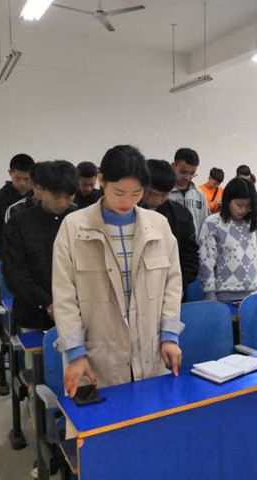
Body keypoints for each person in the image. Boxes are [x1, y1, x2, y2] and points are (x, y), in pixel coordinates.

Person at [53, 145, 184, 396]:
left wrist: (169, 336)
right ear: (102, 180)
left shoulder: (158, 226)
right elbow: (64, 296)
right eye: (119, 192)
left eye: (136, 193)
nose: (127, 202)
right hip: (96, 358)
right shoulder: (74, 227)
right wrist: (76, 353)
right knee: (101, 419)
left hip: (149, 352)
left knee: (149, 414)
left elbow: (172, 283)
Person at [2, 161, 78, 331]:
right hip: (33, 314)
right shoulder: (19, 223)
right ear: (39, 190)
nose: (63, 203)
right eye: (56, 197)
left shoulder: (79, 220)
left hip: (77, 311)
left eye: (69, 197)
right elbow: (15, 273)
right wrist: (47, 303)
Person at [198, 177, 257, 302]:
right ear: (228, 200)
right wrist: (209, 293)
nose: (243, 210)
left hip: (256, 293)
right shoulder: (212, 223)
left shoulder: (253, 223)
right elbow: (206, 260)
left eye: (248, 206)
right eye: (239, 205)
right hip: (225, 295)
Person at [141, 160, 200, 290]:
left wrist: (178, 284)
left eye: (163, 195)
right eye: (152, 193)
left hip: (171, 287)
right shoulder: (126, 213)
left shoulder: (181, 214)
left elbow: (190, 256)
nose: (157, 200)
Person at [0, 153, 35, 259]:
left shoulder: (38, 198)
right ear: (10, 173)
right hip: (7, 258)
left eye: (27, 179)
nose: (22, 183)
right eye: (18, 178)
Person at [169, 148, 208, 238]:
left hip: (193, 245)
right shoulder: (164, 194)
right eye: (183, 172)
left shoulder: (199, 194)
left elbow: (204, 224)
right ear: (173, 166)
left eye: (192, 173)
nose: (187, 177)